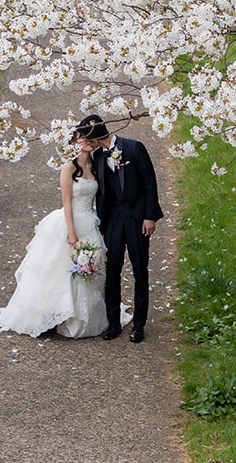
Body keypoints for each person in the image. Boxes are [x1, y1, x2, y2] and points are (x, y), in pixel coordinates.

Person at [0, 127, 129, 338]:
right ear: (74, 142)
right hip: (69, 221)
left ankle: (80, 315)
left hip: (89, 221)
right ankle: (57, 314)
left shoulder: (97, 164)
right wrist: (71, 234)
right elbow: (66, 202)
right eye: (83, 138)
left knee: (89, 270)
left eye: (89, 138)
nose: (88, 141)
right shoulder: (68, 168)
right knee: (60, 269)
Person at [76, 114, 162, 343]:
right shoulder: (98, 156)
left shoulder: (134, 148)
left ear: (94, 137)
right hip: (113, 222)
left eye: (86, 137)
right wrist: (102, 226)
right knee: (111, 272)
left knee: (140, 271)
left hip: (137, 220)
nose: (85, 142)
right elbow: (102, 195)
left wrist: (149, 216)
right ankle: (113, 323)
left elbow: (149, 183)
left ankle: (139, 325)